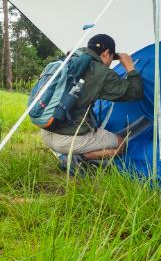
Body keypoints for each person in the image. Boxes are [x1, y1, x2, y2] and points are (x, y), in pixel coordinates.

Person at [40, 33, 144, 168]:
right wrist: (130, 67)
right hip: (67, 141)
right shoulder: (101, 72)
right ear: (106, 53)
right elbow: (134, 93)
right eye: (112, 58)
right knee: (121, 145)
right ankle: (77, 158)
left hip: (46, 131)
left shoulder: (70, 60)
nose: (111, 63)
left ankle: (73, 153)